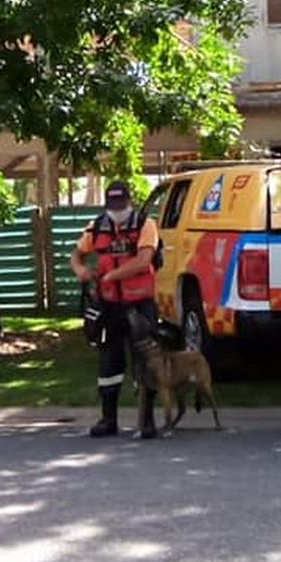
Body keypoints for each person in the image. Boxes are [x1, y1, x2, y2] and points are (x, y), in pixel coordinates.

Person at [70, 180, 161, 440]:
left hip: (139, 304)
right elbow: (76, 255)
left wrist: (112, 275)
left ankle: (147, 421)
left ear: (129, 202)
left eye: (120, 205)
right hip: (109, 306)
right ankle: (108, 419)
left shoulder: (146, 224)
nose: (117, 210)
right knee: (108, 362)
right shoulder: (97, 227)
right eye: (112, 205)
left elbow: (144, 259)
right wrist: (81, 270)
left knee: (145, 361)